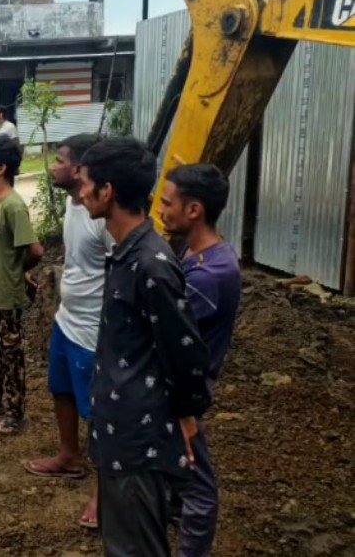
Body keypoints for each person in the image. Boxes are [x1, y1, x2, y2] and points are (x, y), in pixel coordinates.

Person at [78, 137, 212, 556]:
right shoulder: (126, 253)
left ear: (108, 191)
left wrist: (187, 417)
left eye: (85, 183)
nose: (80, 192)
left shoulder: (151, 264)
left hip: (139, 440)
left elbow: (185, 351)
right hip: (120, 431)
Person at [22, 134, 108, 529]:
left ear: (79, 170)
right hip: (67, 320)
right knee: (61, 390)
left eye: (59, 160)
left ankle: (107, 490)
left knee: (101, 411)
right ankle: (69, 456)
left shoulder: (104, 217)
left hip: (94, 329)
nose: (52, 166)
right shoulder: (74, 206)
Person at [159, 164, 242, 557]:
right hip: (174, 392)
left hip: (181, 395)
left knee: (200, 492)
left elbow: (177, 345)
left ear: (194, 210)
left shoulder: (211, 276)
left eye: (167, 202)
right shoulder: (192, 251)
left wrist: (185, 413)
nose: (160, 208)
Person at [0, 136, 44, 435]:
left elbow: (35, 251)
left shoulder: (14, 206)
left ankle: (14, 411)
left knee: (12, 355)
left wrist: (18, 271)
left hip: (8, 295)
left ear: (1, 168)